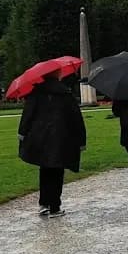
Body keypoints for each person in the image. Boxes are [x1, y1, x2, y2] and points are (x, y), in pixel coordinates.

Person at [18, 71, 87, 218]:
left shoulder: (36, 93)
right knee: (57, 170)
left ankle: (44, 203)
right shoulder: (65, 94)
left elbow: (27, 115)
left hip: (40, 138)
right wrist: (81, 140)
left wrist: (22, 133)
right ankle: (55, 206)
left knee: (45, 169)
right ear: (58, 75)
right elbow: (76, 118)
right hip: (62, 137)